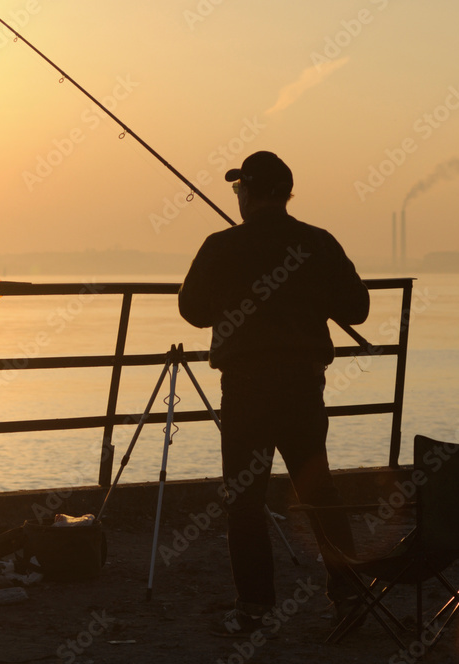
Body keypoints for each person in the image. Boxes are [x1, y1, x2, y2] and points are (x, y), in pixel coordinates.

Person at [177, 151, 370, 635]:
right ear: (284, 194)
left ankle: (255, 609)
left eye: (238, 188)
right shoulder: (317, 243)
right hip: (304, 387)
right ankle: (348, 596)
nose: (237, 196)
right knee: (319, 491)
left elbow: (194, 311)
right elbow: (358, 307)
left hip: (246, 391)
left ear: (249, 192)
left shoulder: (221, 246)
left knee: (244, 501)